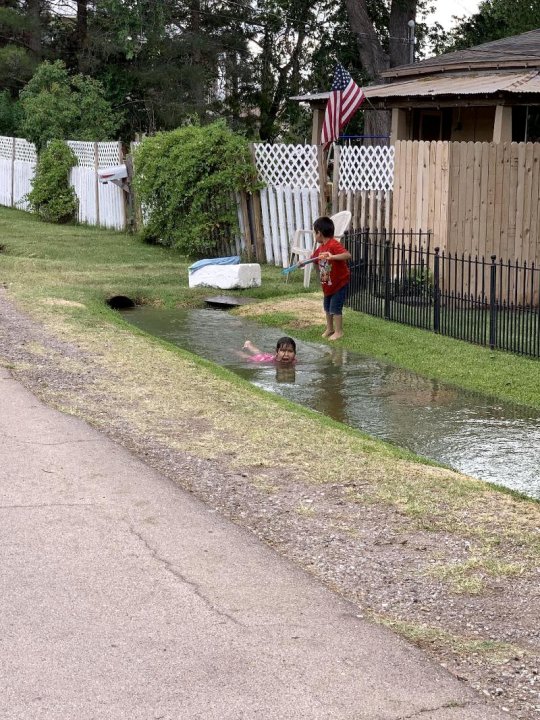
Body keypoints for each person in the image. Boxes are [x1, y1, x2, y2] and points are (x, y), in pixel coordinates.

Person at [307, 216, 351, 341]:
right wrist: (303, 262)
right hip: (327, 284)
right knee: (327, 307)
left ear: (319, 233)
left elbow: (347, 255)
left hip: (339, 283)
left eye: (314, 232)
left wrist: (332, 257)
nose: (314, 235)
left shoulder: (333, 244)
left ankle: (338, 331)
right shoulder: (321, 248)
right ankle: (330, 328)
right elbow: (313, 259)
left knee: (335, 308)